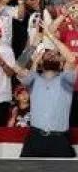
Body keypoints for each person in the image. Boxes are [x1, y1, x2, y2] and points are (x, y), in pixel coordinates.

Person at [11, 24, 76, 158]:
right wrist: (34, 44)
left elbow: (71, 59)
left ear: (61, 63)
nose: (51, 54)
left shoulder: (66, 79)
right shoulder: (34, 78)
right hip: (35, 138)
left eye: (56, 54)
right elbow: (16, 67)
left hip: (59, 140)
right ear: (40, 61)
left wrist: (51, 36)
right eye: (47, 53)